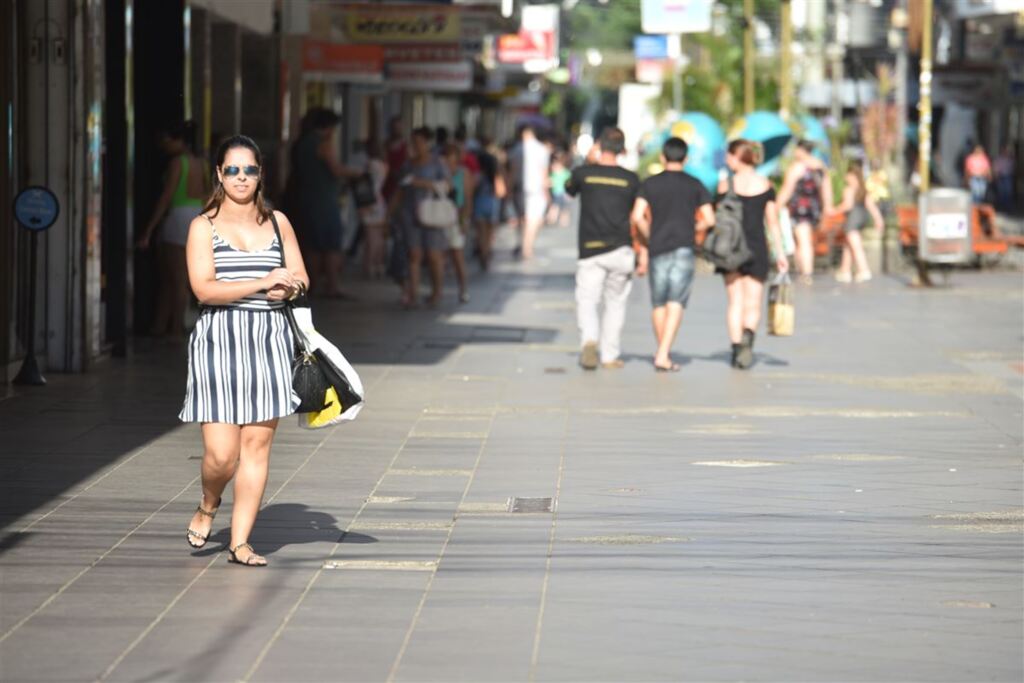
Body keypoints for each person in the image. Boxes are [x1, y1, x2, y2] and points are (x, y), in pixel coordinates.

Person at [180, 135, 309, 567]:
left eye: (249, 170)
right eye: (232, 170)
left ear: (260, 174)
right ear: (218, 173)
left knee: (255, 446)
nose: (240, 178)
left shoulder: (278, 223)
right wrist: (260, 283)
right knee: (222, 455)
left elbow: (302, 278)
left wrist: (290, 286)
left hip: (268, 339)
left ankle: (240, 543)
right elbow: (203, 289)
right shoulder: (203, 225)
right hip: (219, 341)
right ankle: (208, 502)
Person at [631, 137, 715, 372]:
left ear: (662, 157)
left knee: (658, 302)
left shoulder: (649, 184)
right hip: (684, 247)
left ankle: (662, 352)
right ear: (686, 159)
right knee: (676, 301)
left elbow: (637, 216)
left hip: (657, 247)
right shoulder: (695, 184)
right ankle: (663, 354)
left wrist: (649, 235)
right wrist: (693, 227)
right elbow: (710, 219)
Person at [564, 127, 640, 370]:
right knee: (615, 303)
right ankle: (609, 355)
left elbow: (568, 189)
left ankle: (589, 340)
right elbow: (637, 215)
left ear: (598, 145)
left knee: (587, 300)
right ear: (622, 149)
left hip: (590, 249)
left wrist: (588, 161)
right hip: (621, 248)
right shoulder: (631, 179)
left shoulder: (584, 174)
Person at [717, 139, 789, 370]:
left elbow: (718, 218)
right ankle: (748, 338)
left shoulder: (724, 185)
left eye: (729, 156)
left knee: (734, 301)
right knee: (753, 302)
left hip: (730, 248)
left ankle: (737, 347)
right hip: (757, 246)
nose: (727, 160)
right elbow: (772, 222)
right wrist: (780, 252)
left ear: (738, 157)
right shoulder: (765, 185)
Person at [136, 121, 208, 337]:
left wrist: (148, 229)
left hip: (177, 218)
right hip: (197, 217)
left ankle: (176, 327)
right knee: (175, 277)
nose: (163, 144)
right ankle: (161, 325)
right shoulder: (201, 164)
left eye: (166, 140)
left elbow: (167, 196)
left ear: (179, 140)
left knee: (175, 278)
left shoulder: (178, 163)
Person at [289, 108, 360, 297]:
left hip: (304, 198)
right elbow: (336, 170)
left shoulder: (300, 143)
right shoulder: (323, 144)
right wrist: (356, 172)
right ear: (329, 127)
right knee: (331, 244)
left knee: (312, 244)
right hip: (324, 200)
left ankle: (312, 284)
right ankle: (332, 285)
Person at [388, 126, 449, 309]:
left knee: (433, 255)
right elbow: (399, 191)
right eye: (414, 142)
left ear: (428, 143)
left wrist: (420, 183)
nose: (416, 146)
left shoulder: (438, 163)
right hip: (410, 213)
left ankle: (436, 291)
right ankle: (413, 292)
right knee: (414, 254)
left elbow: (447, 185)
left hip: (432, 213)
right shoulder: (408, 165)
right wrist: (389, 214)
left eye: (420, 142)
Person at [777, 139, 832, 283]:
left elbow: (787, 189)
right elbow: (826, 189)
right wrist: (826, 207)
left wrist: (776, 205)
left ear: (801, 150)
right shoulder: (820, 166)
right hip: (814, 207)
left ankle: (806, 272)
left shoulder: (798, 167)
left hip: (800, 206)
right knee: (803, 238)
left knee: (802, 239)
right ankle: (803, 270)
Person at [830, 160, 883, 283]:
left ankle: (864, 270)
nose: (845, 177)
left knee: (856, 246)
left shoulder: (849, 189)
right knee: (848, 245)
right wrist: (878, 218)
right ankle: (845, 271)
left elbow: (847, 205)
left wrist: (834, 210)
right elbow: (870, 204)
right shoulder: (863, 189)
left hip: (852, 219)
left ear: (851, 176)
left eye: (847, 175)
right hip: (862, 217)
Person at [352, 138, 389, 279]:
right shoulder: (384, 165)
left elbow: (363, 183)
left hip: (368, 201)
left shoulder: (369, 165)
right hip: (379, 201)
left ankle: (369, 266)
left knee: (370, 238)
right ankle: (378, 265)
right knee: (379, 237)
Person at [440, 143, 473, 303]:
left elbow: (467, 198)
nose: (448, 160)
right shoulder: (439, 173)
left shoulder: (463, 173)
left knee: (457, 255)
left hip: (456, 216)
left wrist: (464, 219)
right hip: (439, 216)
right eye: (446, 156)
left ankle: (463, 289)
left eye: (451, 156)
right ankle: (437, 291)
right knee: (438, 256)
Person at [518, 125, 552, 259]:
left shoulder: (517, 149)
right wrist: (547, 193)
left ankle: (525, 246)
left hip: (519, 189)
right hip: (536, 189)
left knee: (525, 219)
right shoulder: (541, 150)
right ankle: (527, 248)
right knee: (534, 220)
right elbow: (543, 172)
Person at [472, 136, 502, 271]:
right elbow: (500, 189)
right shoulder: (494, 174)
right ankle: (487, 251)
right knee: (490, 231)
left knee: (481, 231)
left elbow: (473, 188)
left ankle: (483, 252)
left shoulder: (478, 176)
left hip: (479, 201)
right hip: (492, 201)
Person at [546, 150, 572, 228]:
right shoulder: (552, 174)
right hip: (556, 193)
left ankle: (563, 221)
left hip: (564, 193)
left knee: (564, 208)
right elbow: (549, 181)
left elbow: (569, 183)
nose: (555, 166)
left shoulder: (566, 173)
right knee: (555, 206)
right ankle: (551, 218)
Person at [994, 146, 1016, 211]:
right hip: (1001, 176)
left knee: (1008, 191)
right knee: (1001, 191)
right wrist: (996, 175)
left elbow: (1013, 167)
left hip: (1008, 176)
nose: (1005, 153)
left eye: (1006, 152)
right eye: (1004, 151)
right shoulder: (999, 159)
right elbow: (996, 167)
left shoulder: (1010, 159)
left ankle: (1007, 206)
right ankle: (1001, 206)